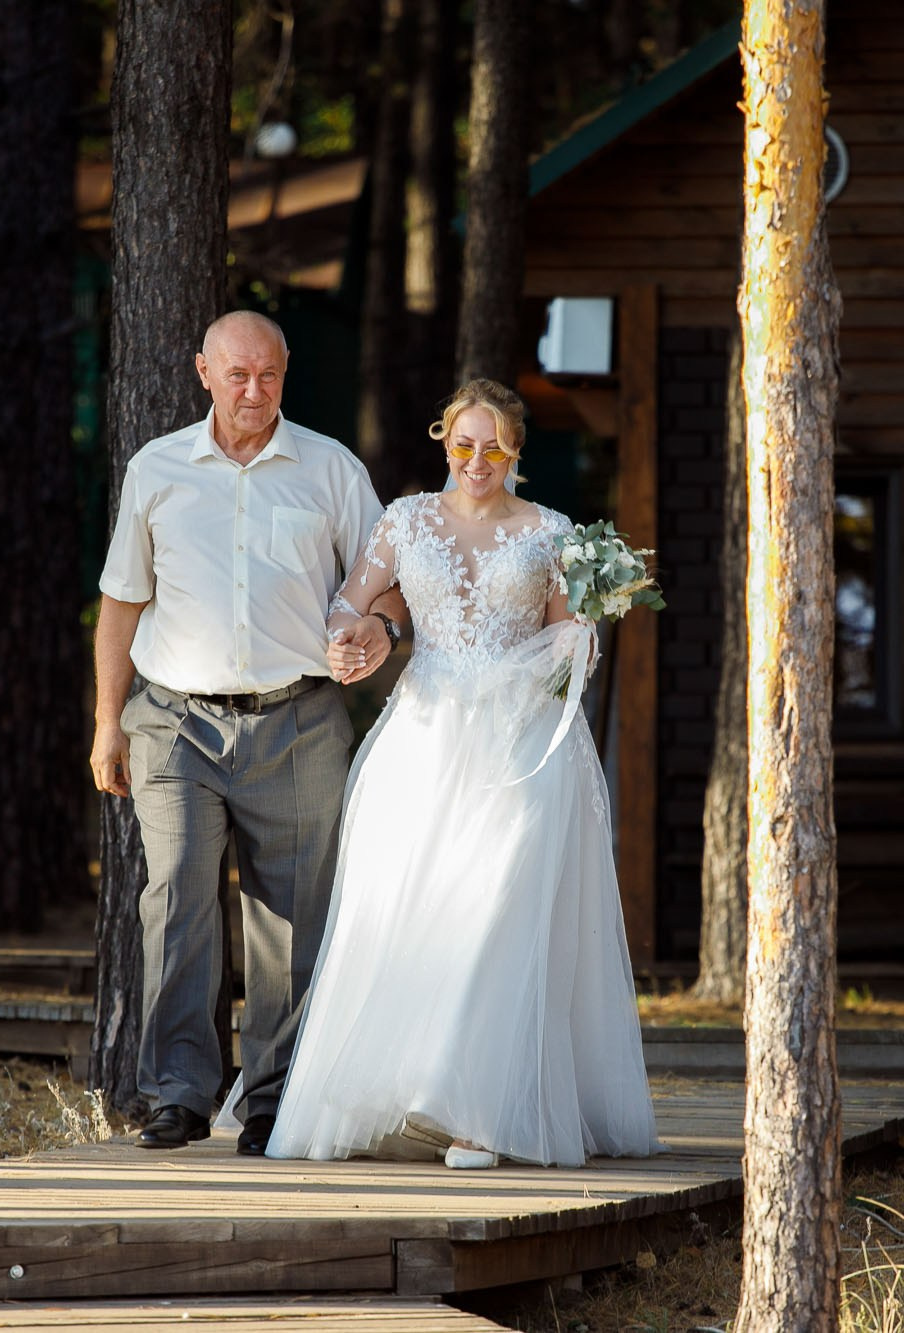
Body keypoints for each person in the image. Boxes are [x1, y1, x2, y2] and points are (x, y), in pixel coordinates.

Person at [265, 378, 661, 1169]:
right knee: (415, 910)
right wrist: (350, 636)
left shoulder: (551, 532)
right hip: (426, 737)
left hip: (522, 743)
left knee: (498, 907)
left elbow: (570, 644)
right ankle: (406, 1087)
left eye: (495, 447)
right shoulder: (405, 520)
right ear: (445, 441)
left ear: (516, 451)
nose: (478, 460)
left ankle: (477, 1112)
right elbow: (350, 601)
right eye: (464, 444)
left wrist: (582, 631)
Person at [90, 310, 402, 1157]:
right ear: (204, 372)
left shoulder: (331, 470)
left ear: (286, 369)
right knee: (177, 899)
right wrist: (107, 722)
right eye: (237, 375)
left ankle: (274, 1100)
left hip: (299, 719)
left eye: (268, 374)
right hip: (174, 722)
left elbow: (388, 582)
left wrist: (379, 629)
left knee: (292, 918)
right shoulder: (156, 469)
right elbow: (121, 602)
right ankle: (179, 1093)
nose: (254, 391)